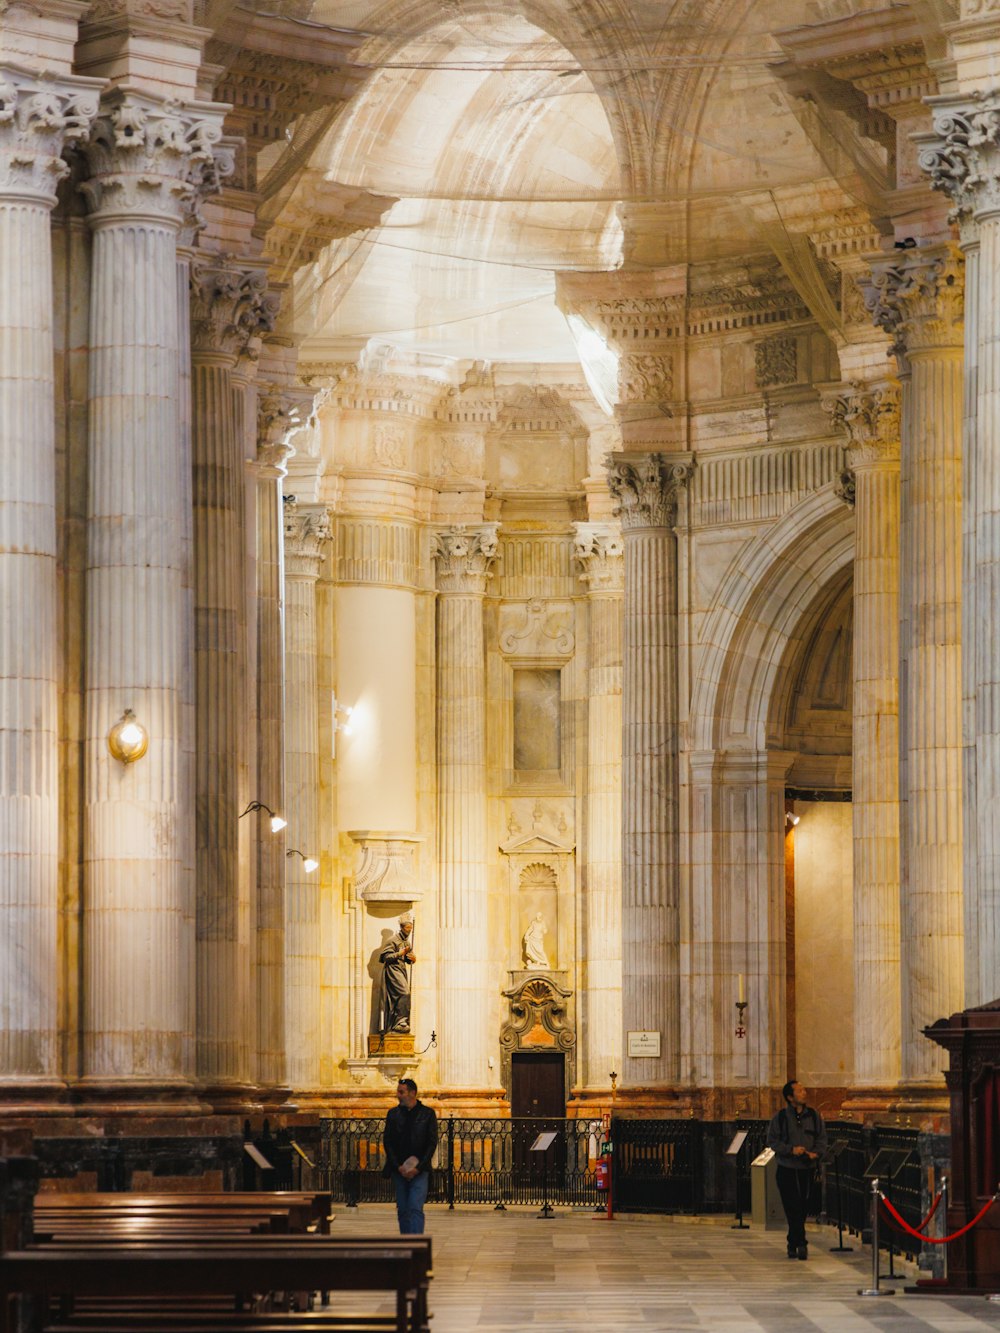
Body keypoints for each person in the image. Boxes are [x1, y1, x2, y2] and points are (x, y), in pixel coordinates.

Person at [766, 1079, 827, 1260]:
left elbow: (821, 1138)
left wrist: (816, 1153)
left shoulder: (814, 1116)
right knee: (792, 1206)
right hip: (787, 1168)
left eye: (803, 1090)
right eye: (799, 1091)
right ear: (790, 1097)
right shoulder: (781, 1118)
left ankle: (793, 1242)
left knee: (804, 1206)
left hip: (807, 1168)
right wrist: (791, 1150)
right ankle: (800, 1243)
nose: (804, 1093)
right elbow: (773, 1141)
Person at [382, 1078, 438, 1234]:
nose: (398, 1095)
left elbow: (431, 1143)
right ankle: (405, 1242)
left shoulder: (427, 1114)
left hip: (420, 1171)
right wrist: (397, 1166)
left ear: (412, 1093)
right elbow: (388, 1141)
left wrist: (418, 1167)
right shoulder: (393, 1114)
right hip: (399, 1170)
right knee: (403, 1209)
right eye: (398, 1092)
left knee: (415, 1207)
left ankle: (416, 1245)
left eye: (401, 1092)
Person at [378, 914, 415, 1033]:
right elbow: (385, 957)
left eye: (411, 929)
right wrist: (399, 953)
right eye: (407, 929)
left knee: (405, 995)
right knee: (405, 993)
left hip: (401, 970)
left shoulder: (407, 943)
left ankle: (401, 1022)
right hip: (393, 971)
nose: (409, 931)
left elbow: (408, 959)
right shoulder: (392, 940)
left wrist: (412, 959)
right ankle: (400, 1021)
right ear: (402, 927)